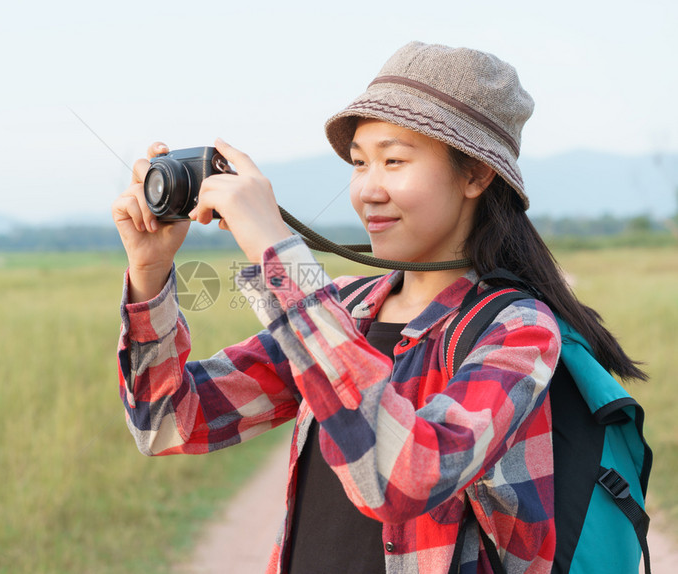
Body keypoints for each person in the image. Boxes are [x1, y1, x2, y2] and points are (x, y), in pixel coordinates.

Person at [112, 42, 645, 573]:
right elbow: (169, 423)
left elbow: (400, 477)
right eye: (360, 163)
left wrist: (277, 255)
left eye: (394, 160)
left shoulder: (517, 330)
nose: (368, 189)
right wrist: (149, 273)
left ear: (476, 175)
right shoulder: (348, 308)